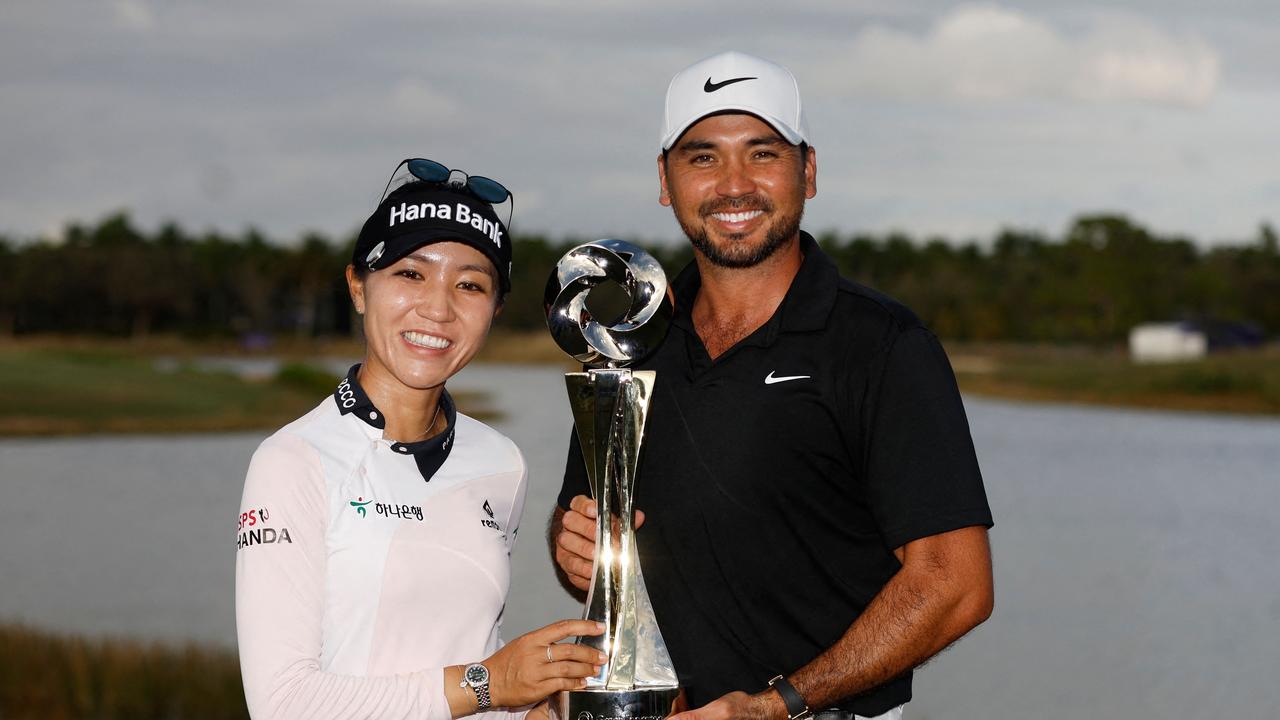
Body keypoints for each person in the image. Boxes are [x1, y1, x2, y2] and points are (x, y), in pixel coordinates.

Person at [549, 52, 994, 720]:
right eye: (702, 158)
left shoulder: (881, 345)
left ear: (807, 171)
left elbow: (955, 585)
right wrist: (571, 547)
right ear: (665, 180)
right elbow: (584, 533)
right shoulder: (630, 341)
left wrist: (777, 704)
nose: (734, 185)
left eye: (763, 154)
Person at [236, 159, 605, 720]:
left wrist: (540, 706)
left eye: (470, 284)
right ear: (358, 287)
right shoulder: (293, 461)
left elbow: (469, 662)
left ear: (494, 311)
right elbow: (282, 704)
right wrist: (491, 683)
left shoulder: (501, 462)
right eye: (411, 274)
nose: (438, 307)